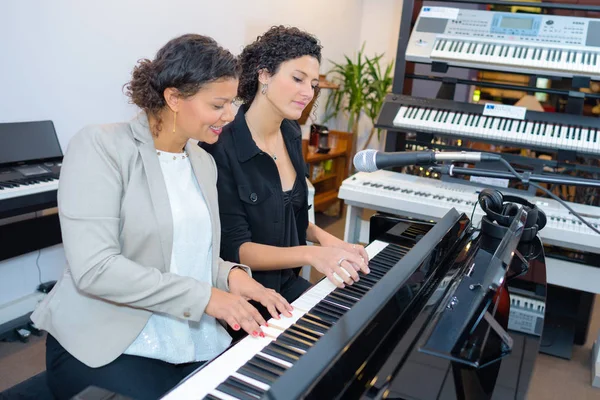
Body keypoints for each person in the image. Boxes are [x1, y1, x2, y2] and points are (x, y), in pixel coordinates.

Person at [30, 34, 292, 400]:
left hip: (190, 332)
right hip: (108, 339)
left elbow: (185, 252)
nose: (230, 115)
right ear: (173, 98)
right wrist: (205, 297)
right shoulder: (101, 147)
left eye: (232, 102)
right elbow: (96, 269)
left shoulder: (202, 161)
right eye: (219, 103)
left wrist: (231, 276)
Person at [205, 26, 370, 317]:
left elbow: (290, 216)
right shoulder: (221, 149)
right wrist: (312, 253)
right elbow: (237, 249)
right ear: (264, 74)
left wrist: (326, 238)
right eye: (297, 79)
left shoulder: (291, 133)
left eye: (313, 83)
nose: (308, 93)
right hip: (247, 299)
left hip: (290, 286)